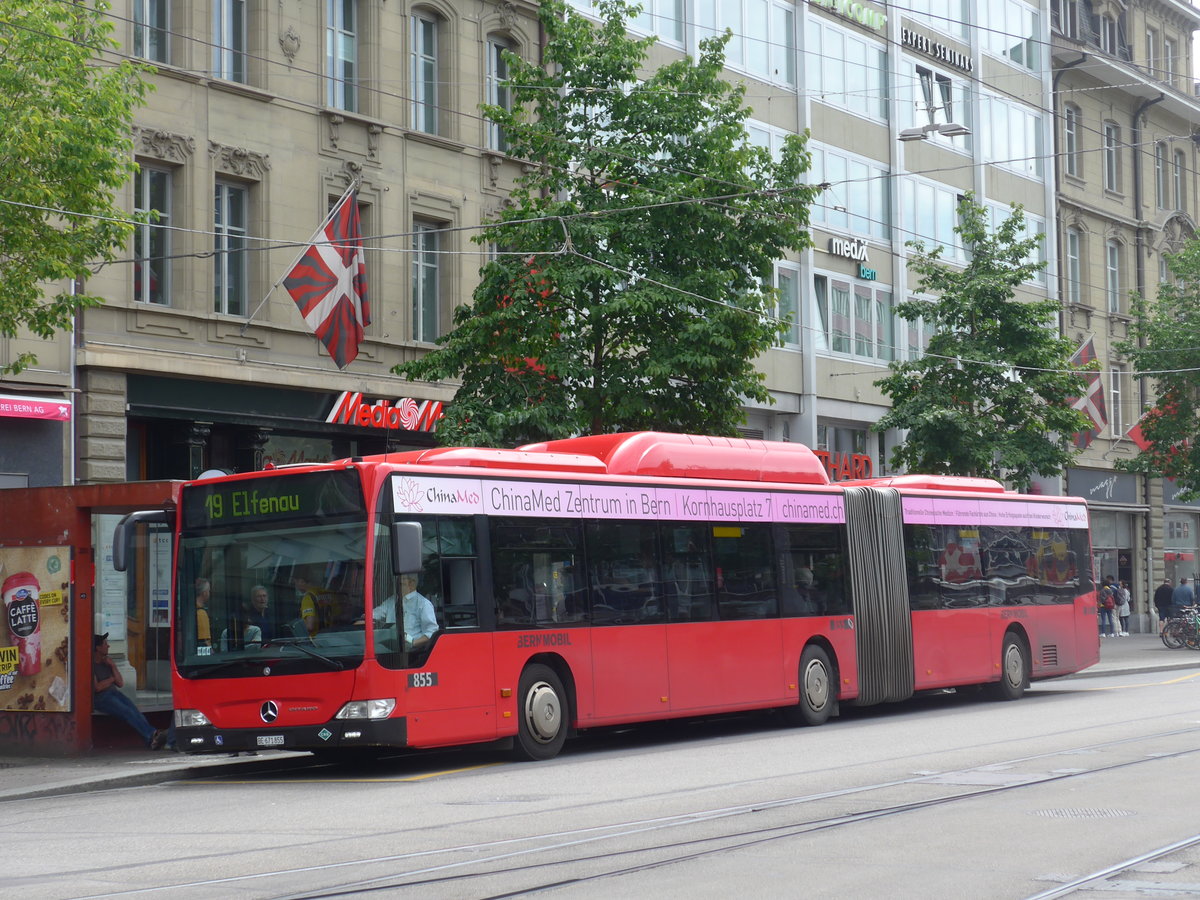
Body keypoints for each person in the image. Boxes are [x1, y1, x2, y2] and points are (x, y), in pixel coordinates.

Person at [92, 634, 171, 751]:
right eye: (105, 644)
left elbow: (120, 683)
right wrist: (111, 679)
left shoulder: (107, 663)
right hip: (101, 698)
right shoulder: (91, 665)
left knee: (133, 709)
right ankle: (152, 735)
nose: (108, 646)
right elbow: (97, 687)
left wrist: (113, 666)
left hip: (113, 693)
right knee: (126, 711)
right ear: (98, 648)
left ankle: (152, 736)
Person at [374, 573, 438, 650]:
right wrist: (364, 618)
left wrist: (413, 644)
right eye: (398, 583)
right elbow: (376, 613)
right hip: (389, 646)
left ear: (412, 583)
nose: (397, 586)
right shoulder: (392, 601)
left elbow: (432, 632)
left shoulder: (423, 604)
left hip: (412, 651)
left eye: (401, 584)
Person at [194, 578, 212, 651]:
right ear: (204, 593)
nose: (209, 593)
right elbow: (205, 640)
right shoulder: (201, 613)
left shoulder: (192, 609)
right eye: (209, 590)